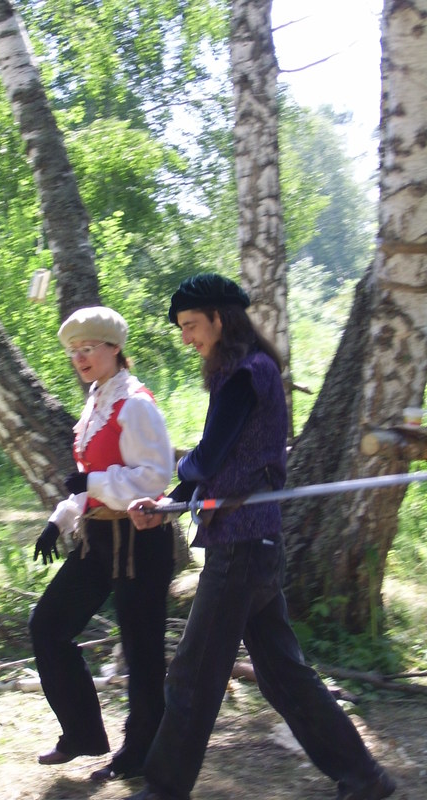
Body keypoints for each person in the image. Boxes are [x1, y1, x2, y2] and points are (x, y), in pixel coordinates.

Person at [125, 273, 396, 800]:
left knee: (192, 675)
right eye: (182, 328)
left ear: (220, 319)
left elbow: (208, 457)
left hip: (241, 550)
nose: (187, 338)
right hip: (255, 545)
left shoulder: (246, 374)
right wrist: (170, 503)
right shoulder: (248, 370)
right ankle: (365, 778)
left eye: (191, 325)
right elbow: (217, 463)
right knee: (284, 676)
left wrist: (178, 472)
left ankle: (163, 789)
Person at [29, 305, 175, 783]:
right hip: (97, 538)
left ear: (114, 348)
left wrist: (91, 482)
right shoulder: (97, 401)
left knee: (142, 651)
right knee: (48, 625)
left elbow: (154, 478)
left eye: (88, 348)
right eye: (73, 351)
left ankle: (141, 753)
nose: (80, 358)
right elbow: (88, 483)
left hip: (139, 541)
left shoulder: (134, 404)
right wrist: (59, 520)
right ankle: (82, 734)